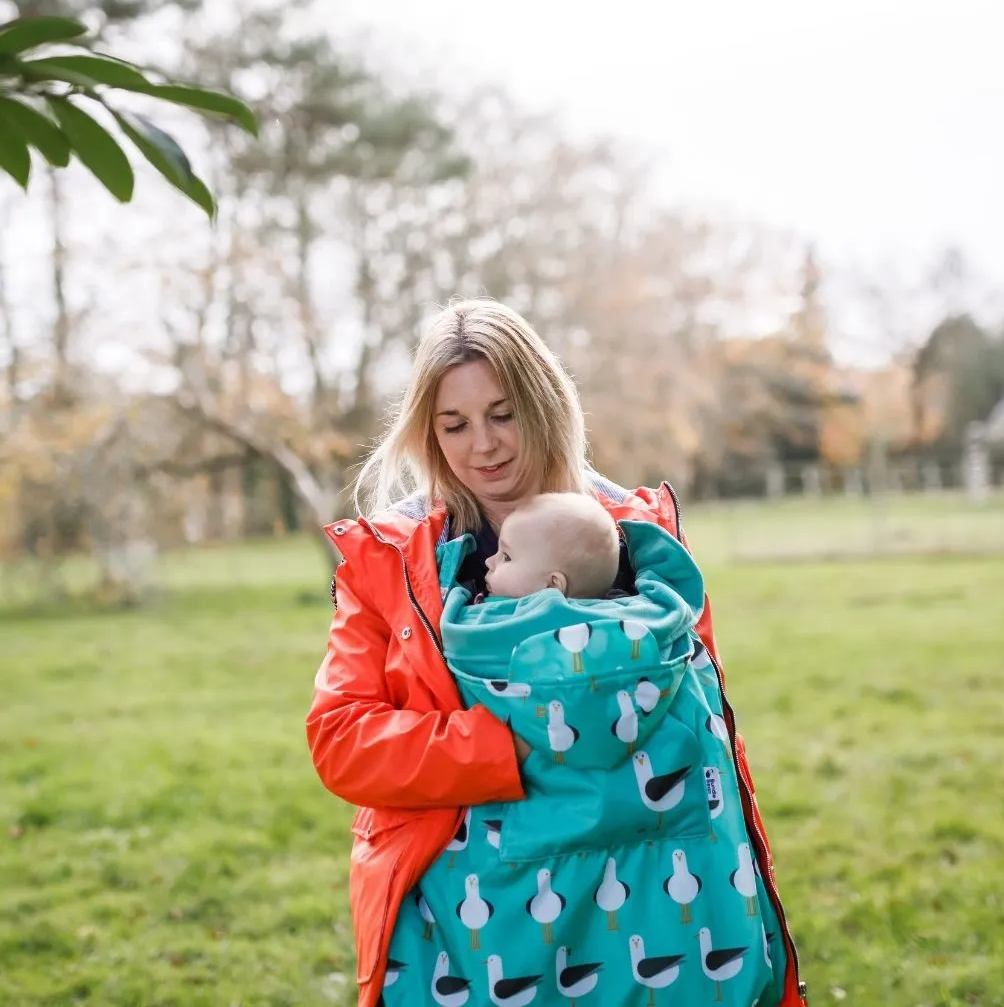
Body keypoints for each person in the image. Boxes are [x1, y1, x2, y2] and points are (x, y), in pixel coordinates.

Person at [306, 298, 807, 1007]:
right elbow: (342, 740)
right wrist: (516, 742)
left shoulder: (640, 542)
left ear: (546, 404)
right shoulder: (389, 561)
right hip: (474, 936)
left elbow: (708, 733)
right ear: (427, 432)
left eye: (503, 413)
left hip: (663, 913)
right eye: (455, 425)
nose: (484, 445)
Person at [480, 491, 620, 600]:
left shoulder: (495, 616)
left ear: (552, 586)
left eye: (506, 557)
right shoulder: (615, 616)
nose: (489, 562)